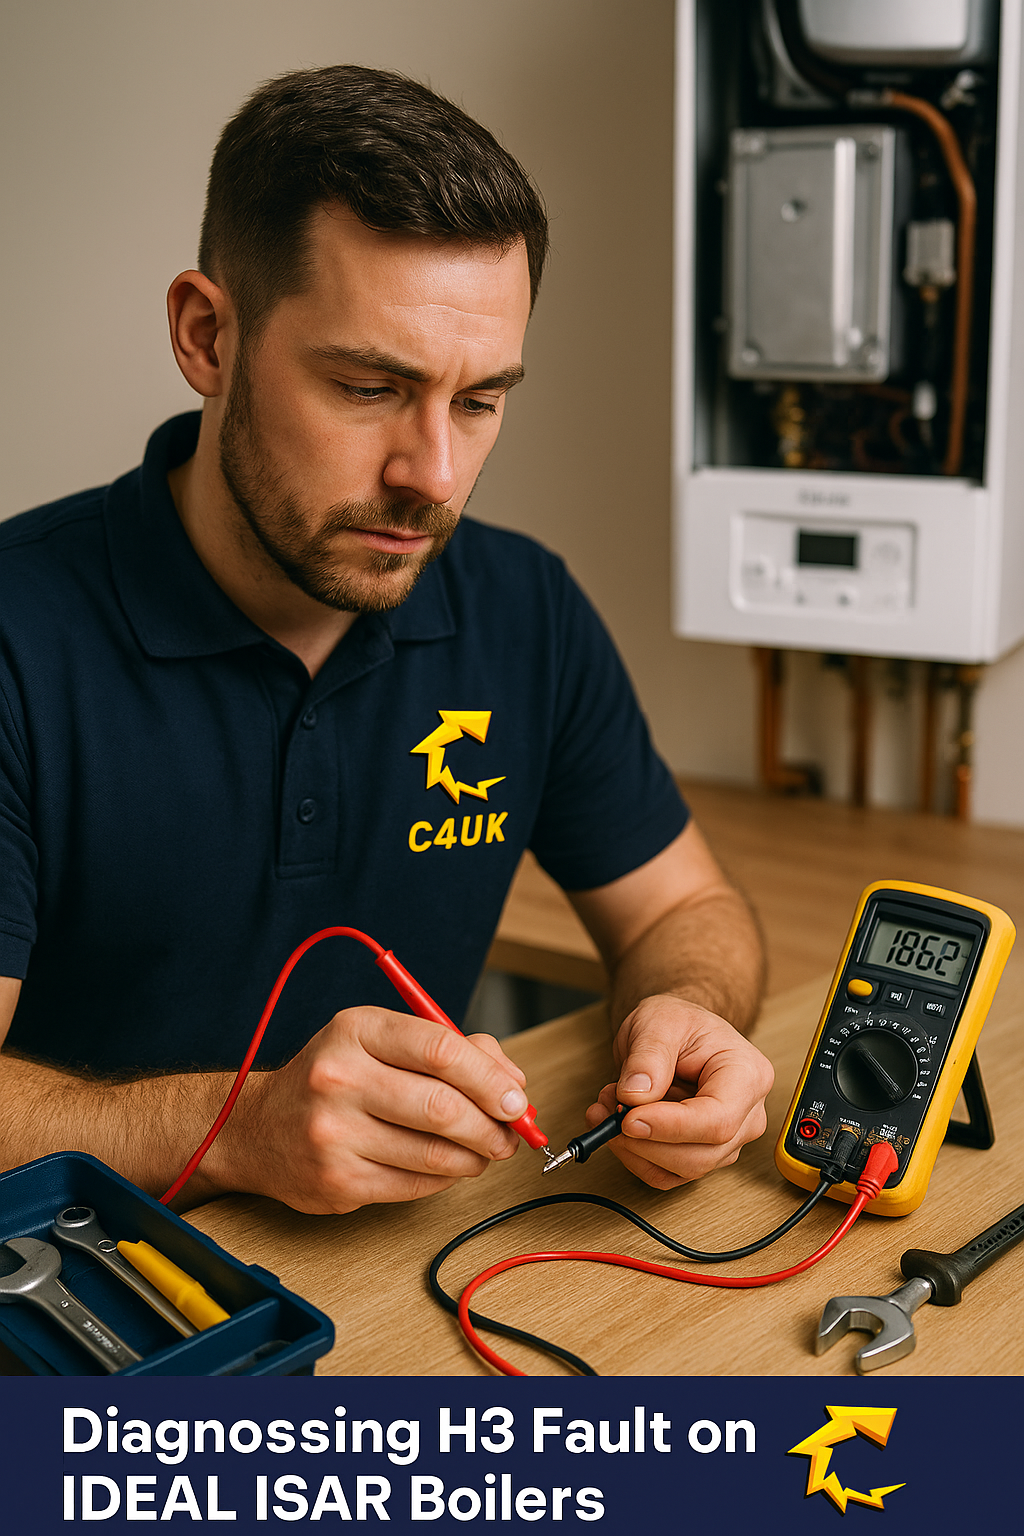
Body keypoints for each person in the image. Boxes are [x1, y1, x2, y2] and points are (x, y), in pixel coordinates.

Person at [0, 65, 771, 1215]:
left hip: (396, 1280)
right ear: (208, 337)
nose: (434, 477)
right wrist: (235, 1129)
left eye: (480, 400)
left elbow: (680, 911)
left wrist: (687, 1014)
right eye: (368, 387)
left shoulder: (524, 607)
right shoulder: (19, 636)